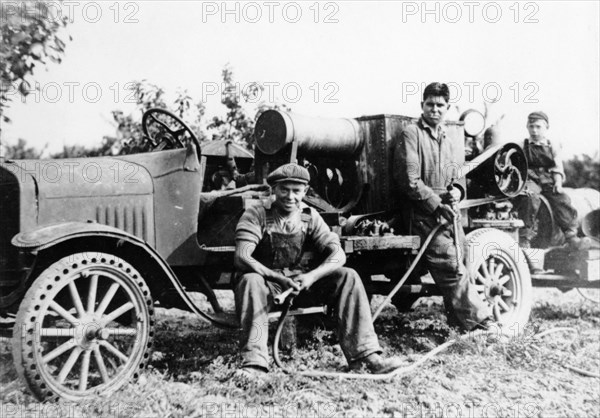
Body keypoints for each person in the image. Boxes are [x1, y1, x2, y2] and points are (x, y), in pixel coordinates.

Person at [233, 163, 403, 377]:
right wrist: (276, 277)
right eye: (284, 189)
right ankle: (254, 365)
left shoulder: (309, 216)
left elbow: (338, 254)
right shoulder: (256, 214)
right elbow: (242, 256)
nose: (290, 196)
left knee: (348, 277)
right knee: (250, 280)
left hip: (299, 285)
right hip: (267, 288)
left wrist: (311, 277)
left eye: (296, 191)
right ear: (273, 190)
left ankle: (365, 356)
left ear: (305, 192)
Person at [392, 82, 494, 331]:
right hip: (420, 213)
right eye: (430, 104)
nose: (435, 110)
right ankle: (481, 323)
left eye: (440, 106)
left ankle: (458, 323)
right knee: (449, 263)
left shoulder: (447, 138)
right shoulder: (411, 134)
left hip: (448, 211)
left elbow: (457, 176)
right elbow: (409, 181)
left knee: (463, 258)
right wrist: (437, 206)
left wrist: (457, 193)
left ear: (447, 108)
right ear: (422, 106)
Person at [512, 112, 586, 249]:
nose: (534, 130)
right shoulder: (522, 145)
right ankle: (524, 237)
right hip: (529, 179)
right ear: (527, 127)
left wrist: (557, 183)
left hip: (547, 179)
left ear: (546, 128)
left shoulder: (553, 145)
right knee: (530, 198)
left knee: (562, 199)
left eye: (538, 127)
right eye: (531, 126)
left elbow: (557, 167)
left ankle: (570, 235)